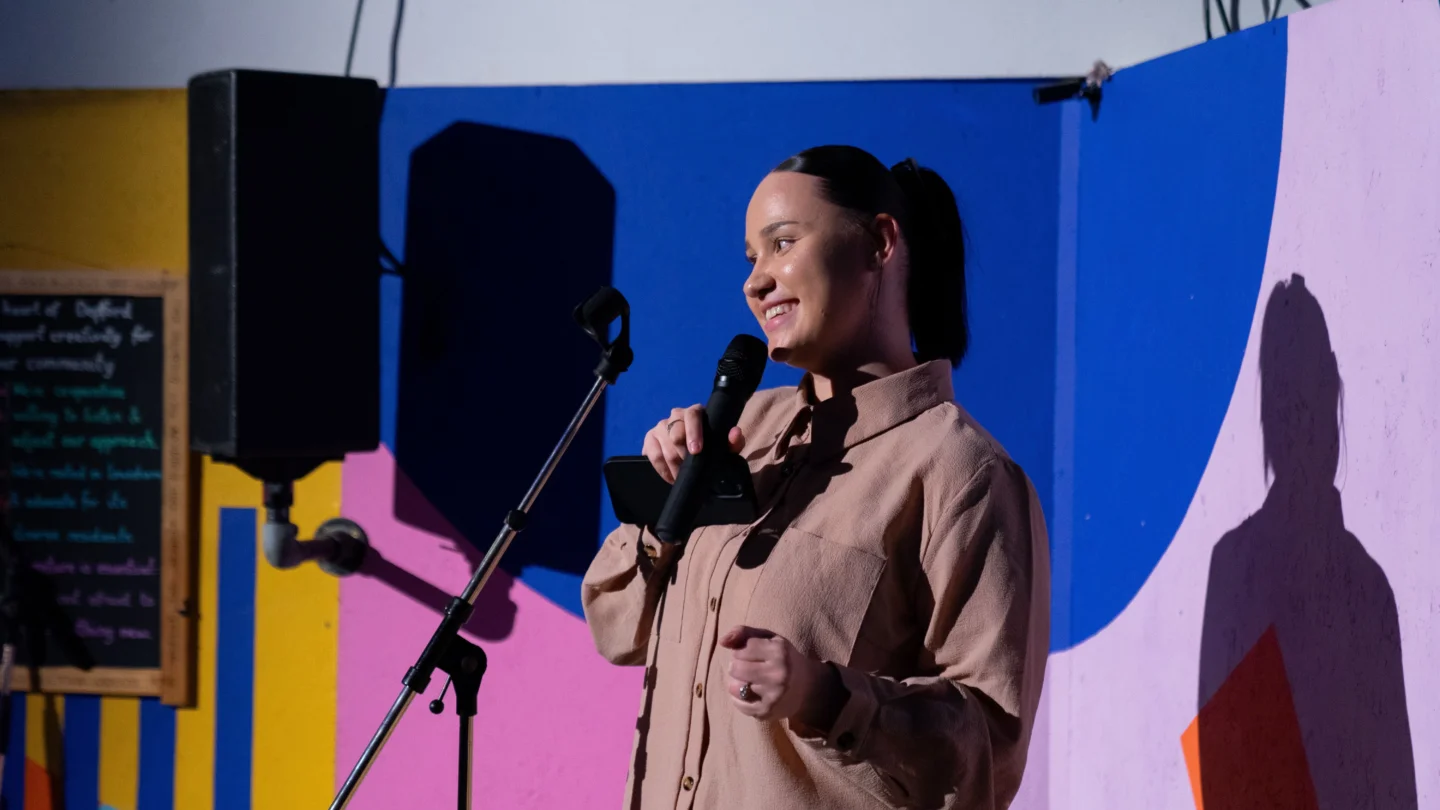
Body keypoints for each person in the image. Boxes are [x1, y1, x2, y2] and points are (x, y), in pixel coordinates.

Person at [582, 145, 1050, 810]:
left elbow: (990, 754)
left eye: (782, 244)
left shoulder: (963, 472)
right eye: (751, 259)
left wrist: (827, 697)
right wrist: (666, 505)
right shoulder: (743, 433)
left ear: (880, 244)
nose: (755, 281)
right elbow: (615, 628)